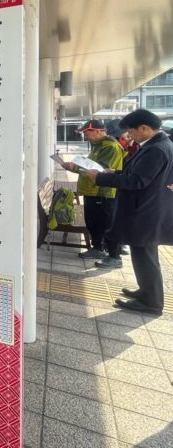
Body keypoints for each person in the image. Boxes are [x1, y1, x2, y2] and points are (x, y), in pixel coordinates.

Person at [85, 109, 173, 315]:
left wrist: (100, 178)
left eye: (131, 131)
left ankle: (151, 302)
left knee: (145, 256)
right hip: (150, 209)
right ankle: (146, 292)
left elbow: (136, 181)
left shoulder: (156, 149)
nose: (128, 135)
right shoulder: (160, 145)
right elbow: (139, 174)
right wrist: (114, 172)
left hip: (145, 211)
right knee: (143, 254)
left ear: (144, 128)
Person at [62, 120, 124, 267]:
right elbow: (90, 167)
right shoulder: (99, 146)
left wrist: (75, 168)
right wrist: (75, 167)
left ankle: (114, 257)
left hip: (103, 192)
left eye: (87, 133)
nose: (85, 136)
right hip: (93, 191)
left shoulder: (111, 147)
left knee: (105, 224)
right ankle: (98, 248)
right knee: (94, 223)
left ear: (97, 131)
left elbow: (100, 171)